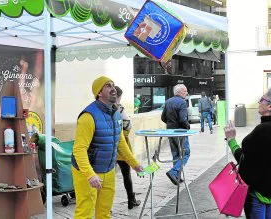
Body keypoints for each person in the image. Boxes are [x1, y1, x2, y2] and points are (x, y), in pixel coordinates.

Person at [71, 76, 144, 218]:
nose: (113, 89)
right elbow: (79, 149)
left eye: (113, 85)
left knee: (105, 212)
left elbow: (120, 143)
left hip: (108, 169)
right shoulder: (88, 116)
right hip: (87, 171)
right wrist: (90, 174)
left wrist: (134, 164)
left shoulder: (116, 114)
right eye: (108, 86)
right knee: (84, 212)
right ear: (99, 92)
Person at [223, 86, 271, 219]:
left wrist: (231, 140)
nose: (259, 102)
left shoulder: (263, 130)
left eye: (262, 100)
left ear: (270, 106)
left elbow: (244, 161)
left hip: (257, 192)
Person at [114, 86, 141, 209]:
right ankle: (131, 199)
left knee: (106, 176)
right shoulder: (120, 110)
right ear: (119, 96)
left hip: (108, 147)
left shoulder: (104, 109)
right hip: (121, 147)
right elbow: (128, 126)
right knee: (126, 174)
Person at [161, 84, 191, 185]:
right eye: (185, 91)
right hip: (180, 132)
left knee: (176, 155)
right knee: (185, 153)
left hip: (170, 132)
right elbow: (183, 119)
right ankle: (174, 172)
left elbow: (163, 118)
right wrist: (187, 126)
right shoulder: (182, 102)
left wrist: (171, 125)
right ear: (180, 92)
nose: (186, 93)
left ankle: (176, 177)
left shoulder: (168, 101)